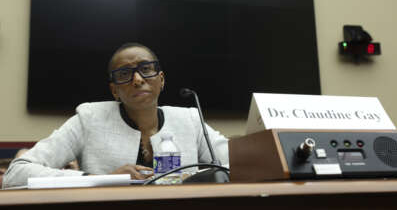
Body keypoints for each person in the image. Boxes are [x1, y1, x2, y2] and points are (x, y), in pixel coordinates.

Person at [2, 43, 229, 188]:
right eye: (124, 74)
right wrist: (102, 179)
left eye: (146, 69)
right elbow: (17, 172)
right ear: (114, 91)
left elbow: (237, 164)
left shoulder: (190, 120)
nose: (137, 79)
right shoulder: (89, 119)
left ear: (161, 80)